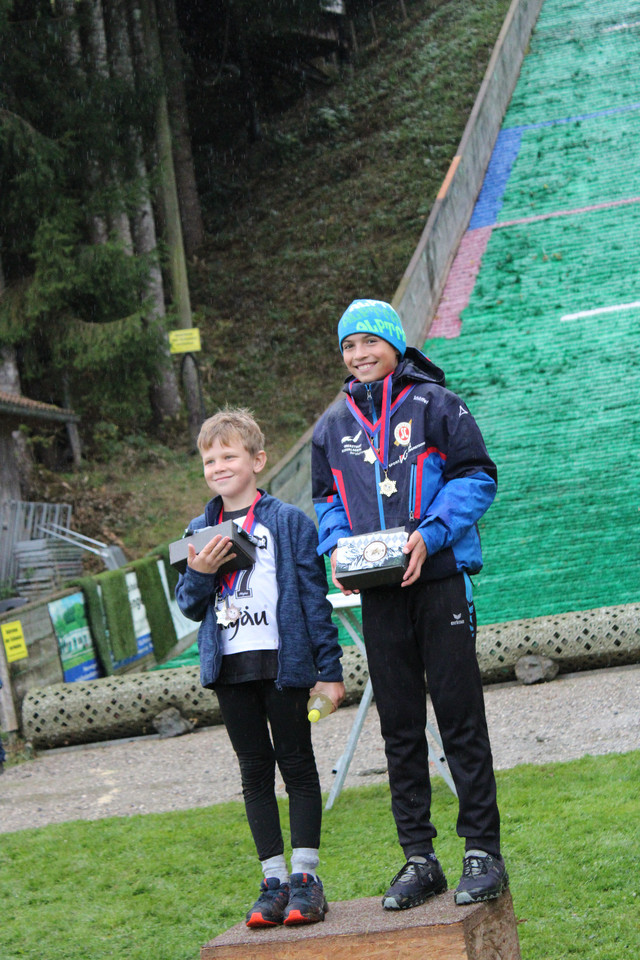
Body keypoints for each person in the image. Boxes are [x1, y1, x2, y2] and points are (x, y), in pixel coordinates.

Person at [311, 299, 508, 910]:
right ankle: (419, 859)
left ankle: (483, 852)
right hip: (379, 593)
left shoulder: (438, 405)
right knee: (398, 726)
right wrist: (337, 546)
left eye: (370, 342)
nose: (359, 354)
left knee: (458, 717)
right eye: (349, 346)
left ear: (396, 344)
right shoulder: (331, 427)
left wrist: (432, 532)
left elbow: (477, 476)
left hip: (441, 579)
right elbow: (326, 500)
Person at [175, 407, 345, 929]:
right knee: (254, 772)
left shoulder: (289, 523)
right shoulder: (198, 528)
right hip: (230, 668)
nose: (218, 466)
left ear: (258, 460)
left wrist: (330, 670)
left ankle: (306, 879)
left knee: (295, 765)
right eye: (210, 459)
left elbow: (315, 602)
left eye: (229, 455)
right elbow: (187, 604)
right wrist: (201, 574)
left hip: (283, 663)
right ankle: (272, 881)